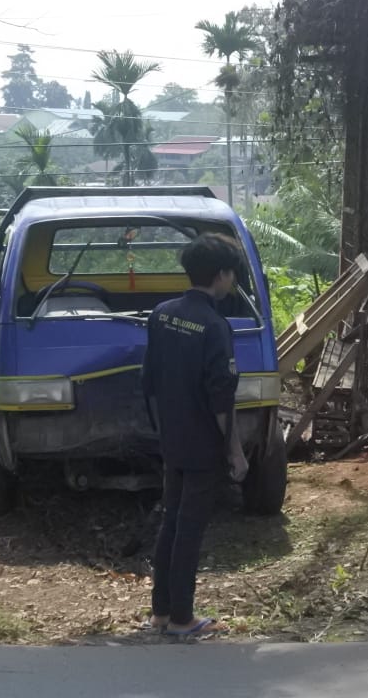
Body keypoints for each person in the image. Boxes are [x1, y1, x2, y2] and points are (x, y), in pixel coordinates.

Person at [140, 232, 249, 640]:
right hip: (203, 444)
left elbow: (148, 380)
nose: (232, 282)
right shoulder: (215, 326)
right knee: (190, 528)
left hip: (172, 439)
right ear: (221, 275)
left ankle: (161, 612)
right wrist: (235, 452)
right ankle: (183, 618)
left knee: (171, 520)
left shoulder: (162, 314)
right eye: (232, 274)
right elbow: (222, 398)